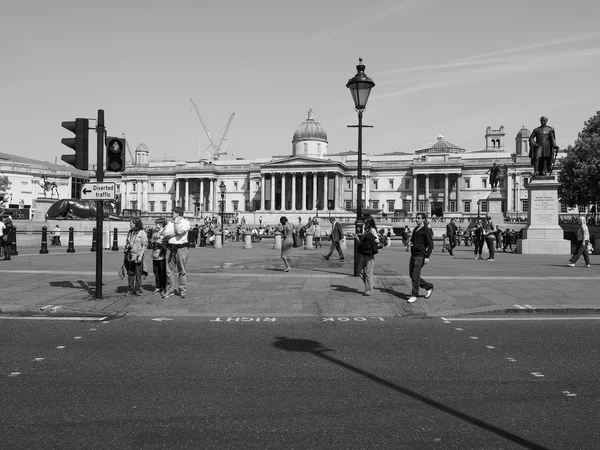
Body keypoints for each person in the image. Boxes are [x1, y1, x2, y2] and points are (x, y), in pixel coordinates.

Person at [162, 207, 190, 299]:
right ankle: (170, 290)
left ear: (177, 213)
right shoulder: (170, 223)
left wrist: (177, 224)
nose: (171, 215)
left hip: (181, 248)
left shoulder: (186, 222)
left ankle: (182, 290)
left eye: (173, 213)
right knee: (169, 271)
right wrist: (176, 233)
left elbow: (180, 231)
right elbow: (165, 234)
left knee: (181, 270)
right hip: (170, 248)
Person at [407, 213, 434, 303]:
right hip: (413, 254)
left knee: (415, 275)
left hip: (420, 255)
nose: (416, 220)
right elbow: (414, 240)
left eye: (418, 218)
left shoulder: (426, 230)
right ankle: (428, 286)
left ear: (423, 219)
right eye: (416, 218)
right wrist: (411, 243)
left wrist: (427, 257)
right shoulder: (415, 229)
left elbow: (430, 245)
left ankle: (414, 294)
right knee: (412, 275)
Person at [348, 216, 379, 296]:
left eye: (366, 223)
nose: (364, 224)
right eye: (364, 223)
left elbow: (377, 240)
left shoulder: (372, 230)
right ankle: (371, 284)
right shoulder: (366, 230)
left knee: (368, 273)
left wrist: (371, 237)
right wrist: (357, 238)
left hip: (369, 254)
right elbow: (363, 243)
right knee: (360, 271)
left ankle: (369, 290)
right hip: (364, 253)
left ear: (369, 223)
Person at [123, 217, 148, 296]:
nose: (130, 224)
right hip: (130, 255)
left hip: (137, 255)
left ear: (136, 224)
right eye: (130, 223)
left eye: (132, 223)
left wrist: (141, 256)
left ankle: (137, 289)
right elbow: (127, 242)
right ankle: (130, 288)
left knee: (138, 273)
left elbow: (144, 245)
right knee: (130, 273)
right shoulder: (130, 232)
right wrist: (127, 246)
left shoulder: (142, 232)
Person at [150, 218, 168, 296]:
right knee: (156, 271)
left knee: (162, 271)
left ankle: (163, 287)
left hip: (161, 254)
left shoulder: (165, 232)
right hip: (155, 253)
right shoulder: (155, 232)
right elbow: (151, 240)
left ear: (160, 224)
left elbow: (163, 242)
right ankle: (158, 286)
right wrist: (155, 241)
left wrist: (156, 241)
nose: (155, 225)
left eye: (156, 223)